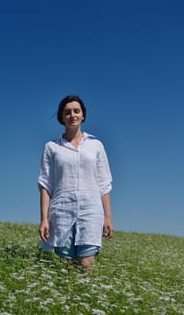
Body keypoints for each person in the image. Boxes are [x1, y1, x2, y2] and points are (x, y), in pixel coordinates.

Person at [38, 95, 114, 269]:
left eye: (76, 111)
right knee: (66, 267)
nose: (72, 115)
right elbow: (45, 184)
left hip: (91, 210)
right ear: (61, 117)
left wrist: (108, 217)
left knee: (86, 264)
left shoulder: (96, 145)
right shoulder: (52, 147)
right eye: (67, 112)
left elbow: (104, 183)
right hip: (62, 211)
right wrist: (44, 219)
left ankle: (89, 296)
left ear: (83, 115)